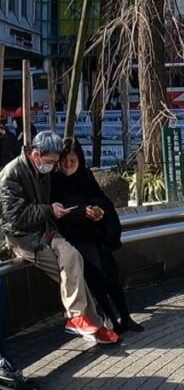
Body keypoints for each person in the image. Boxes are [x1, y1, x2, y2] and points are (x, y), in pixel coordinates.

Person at [0, 131, 118, 344]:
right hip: (24, 237)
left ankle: (79, 319)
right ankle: (91, 323)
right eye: (49, 161)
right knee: (70, 275)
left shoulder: (43, 171)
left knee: (73, 258)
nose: (53, 166)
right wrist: (49, 211)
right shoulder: (11, 174)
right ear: (35, 154)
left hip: (46, 230)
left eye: (55, 162)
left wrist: (53, 214)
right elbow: (15, 216)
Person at [51, 139, 143, 334]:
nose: (68, 165)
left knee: (112, 275)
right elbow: (58, 212)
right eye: (65, 161)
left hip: (94, 233)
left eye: (73, 161)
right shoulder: (54, 180)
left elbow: (100, 198)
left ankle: (125, 317)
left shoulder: (85, 175)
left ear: (79, 160)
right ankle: (110, 318)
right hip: (75, 237)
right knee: (96, 279)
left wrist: (99, 212)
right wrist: (83, 212)